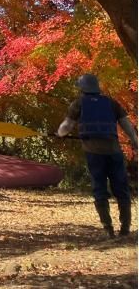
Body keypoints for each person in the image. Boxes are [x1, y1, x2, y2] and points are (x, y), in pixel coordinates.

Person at [57, 74, 138, 238]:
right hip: (114, 152)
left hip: (93, 153)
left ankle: (108, 229)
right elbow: (126, 125)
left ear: (82, 88)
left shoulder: (78, 103)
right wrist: (135, 140)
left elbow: (66, 126)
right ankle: (125, 228)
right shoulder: (111, 103)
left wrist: (59, 134)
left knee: (99, 189)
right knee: (121, 189)